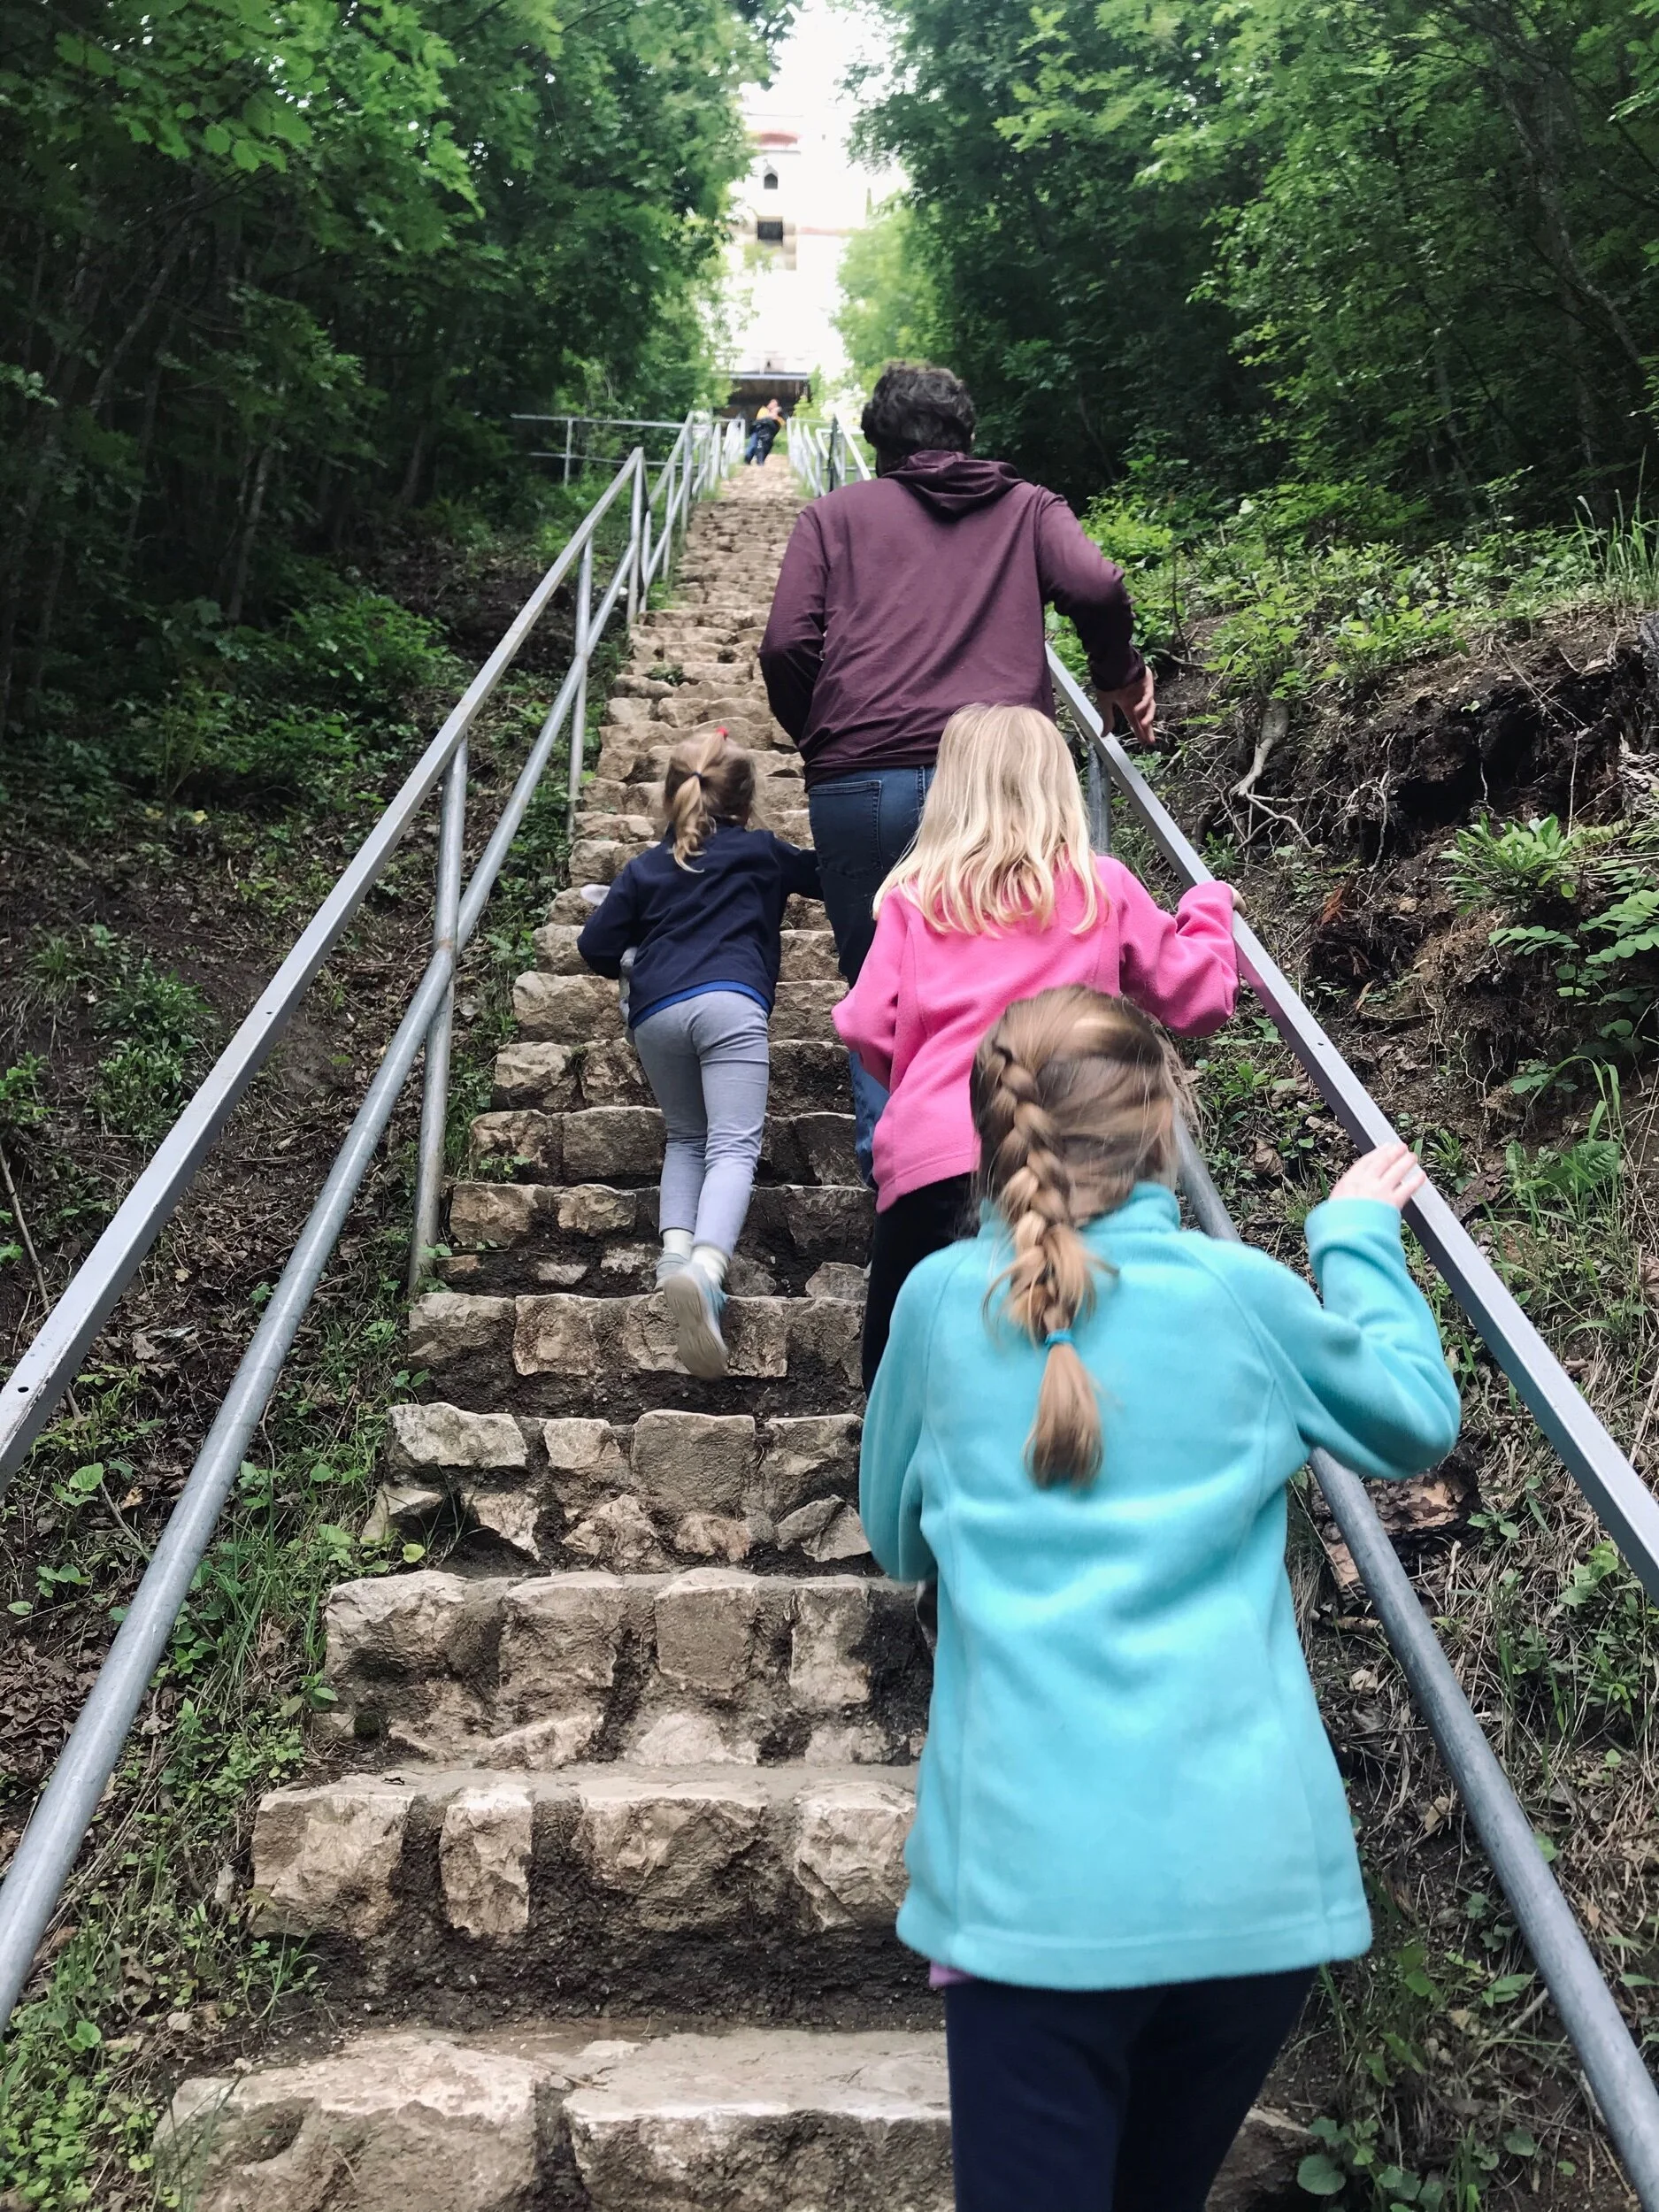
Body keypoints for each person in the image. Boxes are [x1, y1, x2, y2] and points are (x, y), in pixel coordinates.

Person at [860, 987, 1462, 2212]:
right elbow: (1413, 1425)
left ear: (989, 1127)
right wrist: (1351, 1236)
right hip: (1248, 1892)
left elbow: (894, 1539)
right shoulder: (1237, 1293)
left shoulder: (933, 1304)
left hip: (1030, 1897)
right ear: (1160, 1129)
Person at [760, 360, 1156, 1179]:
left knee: (884, 989)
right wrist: (1116, 674)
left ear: (876, 446)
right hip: (1005, 785)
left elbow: (786, 646)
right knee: (1020, 974)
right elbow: (1094, 580)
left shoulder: (833, 517)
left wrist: (826, 738)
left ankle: (901, 1190)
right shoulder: (1025, 507)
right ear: (967, 435)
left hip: (860, 784)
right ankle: (1028, 1183)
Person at [834, 703, 1238, 1390]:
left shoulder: (915, 899)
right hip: (1075, 1158)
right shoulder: (1097, 888)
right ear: (1059, 787)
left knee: (908, 1375)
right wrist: (1210, 906)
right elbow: (1198, 998)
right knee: (1075, 1358)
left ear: (950, 794)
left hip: (931, 1169)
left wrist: (922, 1090)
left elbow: (866, 1026)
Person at [577, 729, 819, 1379]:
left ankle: (674, 1258)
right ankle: (708, 1270)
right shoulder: (763, 851)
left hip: (656, 1015)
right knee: (733, 1145)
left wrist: (632, 947)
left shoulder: (645, 868)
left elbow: (595, 947)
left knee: (686, 1137)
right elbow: (829, 879)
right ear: (744, 799)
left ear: (668, 795)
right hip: (729, 1005)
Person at [744, 397, 783, 466]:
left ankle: (759, 461)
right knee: (752, 446)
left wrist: (775, 415)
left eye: (775, 405)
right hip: (757, 430)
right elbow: (760, 418)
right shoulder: (763, 410)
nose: (773, 406)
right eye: (772, 404)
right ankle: (747, 459)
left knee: (763, 448)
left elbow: (781, 423)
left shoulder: (777, 416)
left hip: (766, 434)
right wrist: (772, 415)